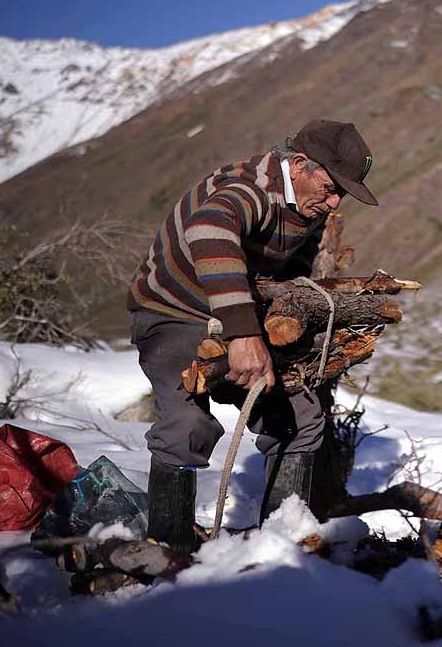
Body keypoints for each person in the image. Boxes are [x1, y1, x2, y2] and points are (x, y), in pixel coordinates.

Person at [128, 119, 379, 551]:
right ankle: (168, 551)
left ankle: (280, 547)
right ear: (299, 165)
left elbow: (292, 270)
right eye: (330, 187)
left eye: (342, 193)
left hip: (238, 315)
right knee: (186, 424)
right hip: (172, 312)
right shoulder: (250, 189)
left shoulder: (309, 206)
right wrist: (244, 335)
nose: (335, 202)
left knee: (300, 417)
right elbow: (208, 228)